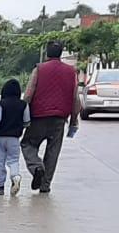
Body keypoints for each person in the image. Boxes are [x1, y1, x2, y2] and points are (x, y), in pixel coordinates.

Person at [21, 40, 82, 193]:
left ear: (47, 53)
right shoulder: (72, 71)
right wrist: (74, 121)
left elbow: (28, 94)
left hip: (38, 117)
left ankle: (36, 168)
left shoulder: (39, 69)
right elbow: (76, 99)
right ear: (61, 53)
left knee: (27, 144)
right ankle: (45, 185)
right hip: (59, 119)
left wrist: (21, 113)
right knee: (53, 151)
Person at [0, 79, 30, 196]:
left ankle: (0, 187)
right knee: (13, 160)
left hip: (0, 138)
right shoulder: (24, 104)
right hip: (14, 138)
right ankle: (15, 177)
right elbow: (27, 122)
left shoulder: (0, 104)